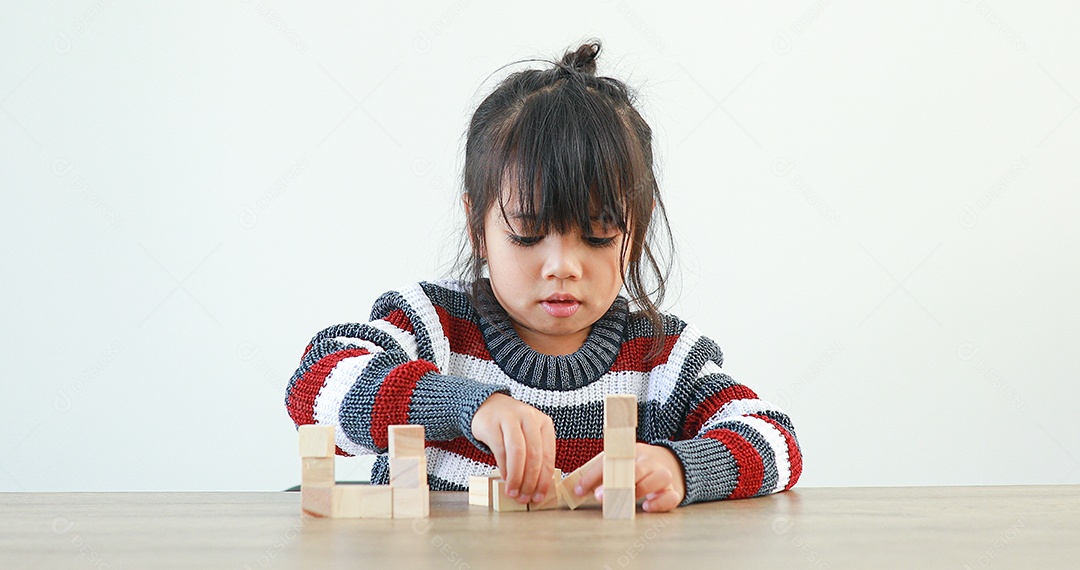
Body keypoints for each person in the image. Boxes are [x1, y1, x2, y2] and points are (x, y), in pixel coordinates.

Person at [285, 40, 802, 513]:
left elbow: (777, 440)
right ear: (477, 227)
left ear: (634, 234)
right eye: (528, 233)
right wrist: (469, 405)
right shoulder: (432, 326)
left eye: (599, 235)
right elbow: (315, 387)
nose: (563, 266)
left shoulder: (663, 359)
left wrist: (681, 470)